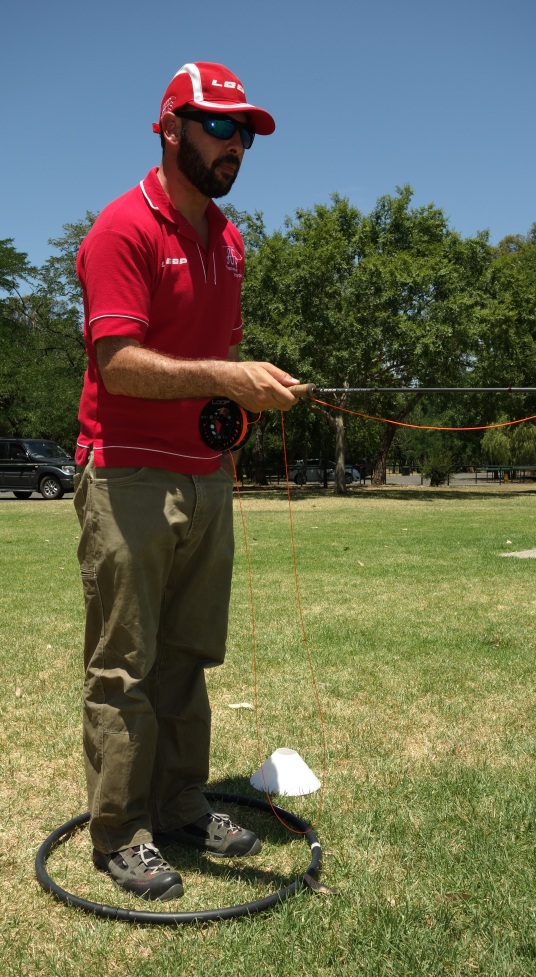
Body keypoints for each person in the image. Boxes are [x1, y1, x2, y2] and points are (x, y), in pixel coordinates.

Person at [73, 61, 299, 902]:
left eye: (244, 131)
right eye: (218, 126)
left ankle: (179, 804)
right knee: (124, 667)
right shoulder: (121, 229)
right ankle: (120, 832)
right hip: (127, 473)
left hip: (206, 478)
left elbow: (216, 370)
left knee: (187, 659)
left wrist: (238, 407)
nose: (235, 144)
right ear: (170, 127)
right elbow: (120, 365)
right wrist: (229, 378)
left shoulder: (230, 240)